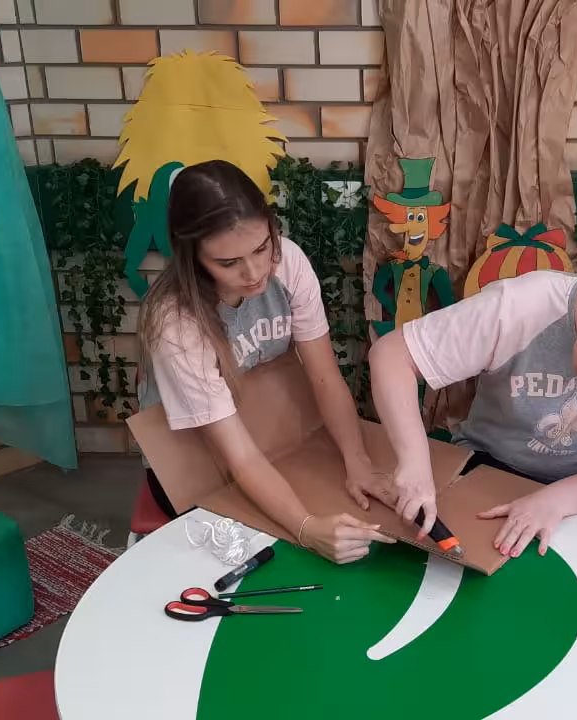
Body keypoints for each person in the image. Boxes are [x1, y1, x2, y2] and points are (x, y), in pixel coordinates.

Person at [368, 256, 577, 609]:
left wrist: (558, 501)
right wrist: (414, 464)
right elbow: (392, 356)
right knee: (483, 592)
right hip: (497, 461)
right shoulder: (523, 305)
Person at [139, 160, 393, 565]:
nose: (254, 271)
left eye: (261, 247)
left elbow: (325, 376)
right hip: (197, 458)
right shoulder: (176, 322)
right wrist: (307, 529)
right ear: (193, 257)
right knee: (253, 554)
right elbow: (237, 455)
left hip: (270, 435)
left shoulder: (288, 261)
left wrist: (357, 461)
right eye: (228, 263)